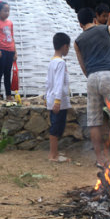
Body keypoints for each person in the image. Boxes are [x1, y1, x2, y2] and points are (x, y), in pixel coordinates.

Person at [74, 7, 110, 166]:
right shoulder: (107, 29)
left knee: (94, 121)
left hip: (91, 78)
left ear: (80, 23)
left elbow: (82, 66)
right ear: (94, 18)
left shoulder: (78, 41)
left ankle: (99, 160)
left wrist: (92, 74)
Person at [45, 33, 72, 162]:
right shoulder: (60, 63)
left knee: (56, 125)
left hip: (52, 98)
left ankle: (54, 153)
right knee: (56, 126)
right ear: (65, 46)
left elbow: (48, 82)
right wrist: (57, 101)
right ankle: (53, 154)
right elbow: (59, 82)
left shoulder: (52, 62)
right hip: (58, 100)